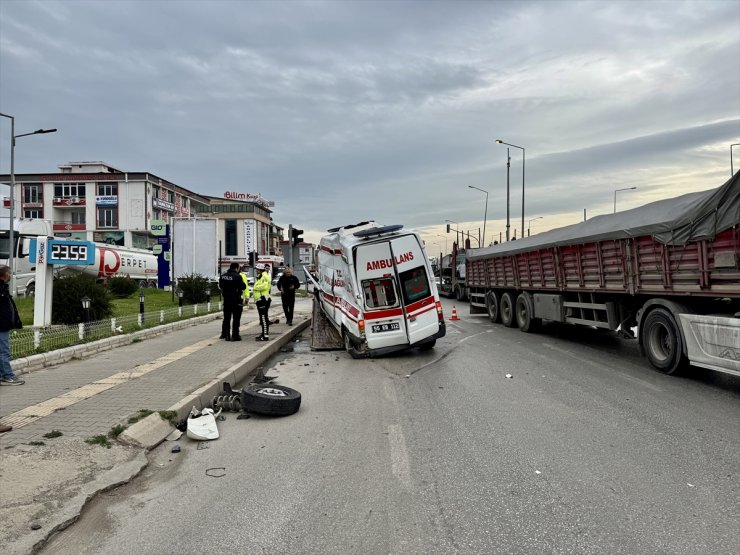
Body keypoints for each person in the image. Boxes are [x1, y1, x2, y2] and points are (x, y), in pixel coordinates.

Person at [0, 265, 24, 386]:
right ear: (4, 275)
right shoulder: (1, 289)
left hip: (3, 325)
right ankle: (8, 376)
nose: (10, 276)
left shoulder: (3, 287)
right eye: (9, 273)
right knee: (4, 352)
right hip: (1, 326)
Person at [218, 262, 246, 341]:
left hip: (226, 300)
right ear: (237, 268)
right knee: (236, 318)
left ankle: (226, 335)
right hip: (236, 300)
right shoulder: (238, 276)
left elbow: (221, 286)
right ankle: (235, 335)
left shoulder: (223, 276)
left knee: (227, 318)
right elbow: (243, 286)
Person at [252, 264, 272, 341]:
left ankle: (265, 336)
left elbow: (265, 286)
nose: (255, 270)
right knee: (263, 317)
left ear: (259, 270)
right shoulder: (261, 276)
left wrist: (255, 288)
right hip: (261, 299)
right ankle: (264, 333)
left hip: (263, 299)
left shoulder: (264, 276)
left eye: (256, 269)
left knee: (263, 318)